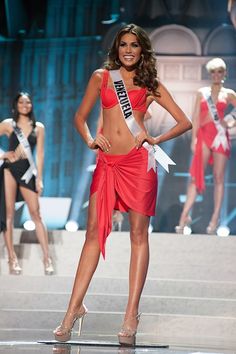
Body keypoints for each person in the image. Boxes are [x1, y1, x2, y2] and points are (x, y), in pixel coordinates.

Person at [53, 23, 191, 345]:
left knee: (138, 235)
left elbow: (185, 121)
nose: (128, 50)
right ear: (117, 49)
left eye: (134, 45)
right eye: (123, 45)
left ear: (143, 50)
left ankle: (131, 314)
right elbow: (79, 116)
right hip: (107, 164)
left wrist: (156, 138)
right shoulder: (102, 78)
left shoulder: (150, 83)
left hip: (139, 164)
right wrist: (90, 138)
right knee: (92, 234)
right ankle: (73, 310)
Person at [175, 58, 236, 235]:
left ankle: (215, 219)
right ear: (209, 74)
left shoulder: (230, 94)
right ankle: (184, 217)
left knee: (218, 178)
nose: (216, 75)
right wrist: (194, 139)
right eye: (213, 72)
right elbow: (195, 118)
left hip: (219, 137)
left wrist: (230, 123)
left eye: (220, 71)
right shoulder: (202, 93)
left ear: (225, 73)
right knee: (195, 178)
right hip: (203, 136)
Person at [0, 92, 54, 275]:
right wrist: (3, 155)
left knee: (36, 214)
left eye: (28, 102)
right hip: (10, 170)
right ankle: (12, 259)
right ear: (15, 105)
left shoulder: (38, 127)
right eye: (21, 102)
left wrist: (39, 178)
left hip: (28, 172)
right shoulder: (8, 124)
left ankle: (47, 258)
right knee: (9, 215)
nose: (25, 105)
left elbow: (40, 155)